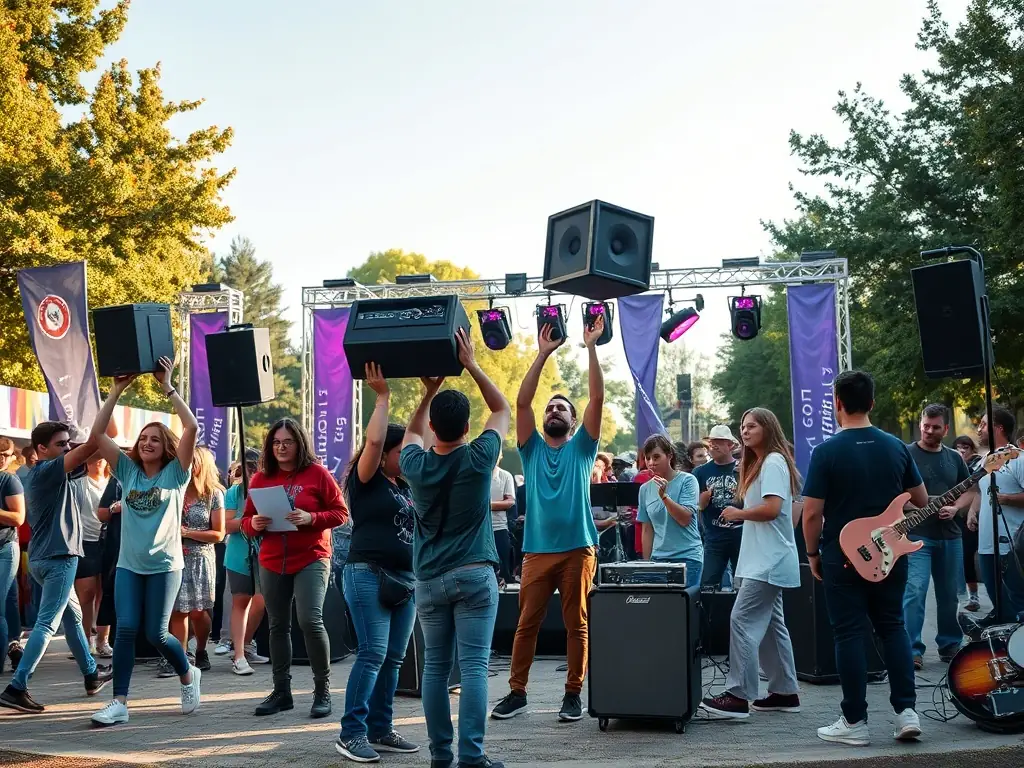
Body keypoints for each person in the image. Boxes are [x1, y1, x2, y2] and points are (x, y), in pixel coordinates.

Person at [400, 330, 510, 768]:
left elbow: (411, 431)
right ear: (467, 428)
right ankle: (472, 757)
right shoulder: (480, 458)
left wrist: (429, 392)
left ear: (434, 427)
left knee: (434, 668)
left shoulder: (414, 464)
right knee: (475, 667)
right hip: (474, 574)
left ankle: (440, 756)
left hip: (428, 579)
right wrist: (471, 364)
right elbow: (501, 409)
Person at [491, 314, 606, 723]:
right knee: (526, 625)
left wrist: (590, 348)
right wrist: (542, 355)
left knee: (577, 625)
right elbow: (522, 403)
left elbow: (597, 399)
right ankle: (517, 692)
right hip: (537, 551)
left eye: (562, 408)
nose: (554, 410)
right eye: (551, 407)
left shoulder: (583, 448)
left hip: (578, 549)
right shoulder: (532, 448)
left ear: (573, 422)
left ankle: (572, 694)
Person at [802, 370, 926, 746]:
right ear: (872, 402)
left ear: (837, 403)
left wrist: (812, 554)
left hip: (842, 557)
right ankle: (906, 713)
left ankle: (855, 721)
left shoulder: (825, 452)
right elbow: (921, 500)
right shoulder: (896, 447)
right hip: (891, 553)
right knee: (893, 627)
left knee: (849, 633)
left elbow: (812, 513)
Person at [87, 358, 203, 726]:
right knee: (125, 629)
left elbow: (192, 426)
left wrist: (167, 386)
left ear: (166, 446)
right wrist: (116, 390)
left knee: (156, 633)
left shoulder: (176, 474)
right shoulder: (126, 471)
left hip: (165, 566)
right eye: (143, 438)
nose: (147, 442)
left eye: (155, 438)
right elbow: (97, 434)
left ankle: (188, 674)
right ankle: (119, 702)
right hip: (128, 565)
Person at [334, 363, 420, 762]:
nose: (408, 456)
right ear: (384, 455)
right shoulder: (365, 479)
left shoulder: (402, 485)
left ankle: (381, 728)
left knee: (393, 658)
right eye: (400, 452)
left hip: (404, 580)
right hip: (367, 573)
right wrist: (383, 396)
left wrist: (429, 394)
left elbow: (419, 437)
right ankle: (351, 734)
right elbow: (372, 441)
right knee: (372, 653)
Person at [0, 422, 112, 714]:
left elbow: (95, 447)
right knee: (47, 624)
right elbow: (92, 445)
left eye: (67, 443)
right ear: (41, 449)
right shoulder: (48, 470)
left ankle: (91, 674)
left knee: (73, 619)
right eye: (61, 444)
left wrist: (103, 433)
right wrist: (111, 399)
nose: (67, 448)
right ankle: (16, 687)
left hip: (45, 558)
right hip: (59, 558)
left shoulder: (51, 472)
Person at [242, 417, 348, 719]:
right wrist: (254, 524)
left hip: (312, 556)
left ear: (299, 443)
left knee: (310, 620)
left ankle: (322, 690)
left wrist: (311, 518)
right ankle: (281, 691)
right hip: (272, 559)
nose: (281, 447)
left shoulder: (317, 473)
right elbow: (245, 522)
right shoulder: (260, 478)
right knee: (277, 625)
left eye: (287, 442)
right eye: (276, 442)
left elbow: (341, 513)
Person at [700, 408, 801, 719]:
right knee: (771, 625)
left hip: (769, 561)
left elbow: (772, 509)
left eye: (752, 426)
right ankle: (784, 691)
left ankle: (739, 695)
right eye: (743, 426)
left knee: (741, 619)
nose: (744, 431)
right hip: (763, 559)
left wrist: (738, 513)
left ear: (768, 428)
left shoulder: (773, 462)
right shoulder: (762, 463)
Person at [902, 405, 973, 669]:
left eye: (935, 427)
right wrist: (913, 506)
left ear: (946, 429)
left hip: (950, 536)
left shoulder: (955, 458)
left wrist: (956, 508)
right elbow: (893, 491)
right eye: (925, 426)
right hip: (916, 535)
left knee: (949, 594)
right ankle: (911, 650)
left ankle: (949, 644)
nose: (929, 431)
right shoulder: (906, 454)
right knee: (914, 591)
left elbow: (970, 490)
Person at [165, 447, 225, 675]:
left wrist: (187, 532)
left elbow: (218, 534)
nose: (188, 467)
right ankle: (181, 658)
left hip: (201, 558)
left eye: (193, 462)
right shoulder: (174, 489)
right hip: (174, 557)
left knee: (199, 611)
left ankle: (201, 649)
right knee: (178, 610)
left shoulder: (213, 494)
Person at [967, 405, 1024, 623]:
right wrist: (973, 510)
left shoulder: (1018, 458)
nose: (978, 429)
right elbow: (981, 491)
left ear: (998, 428)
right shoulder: (986, 460)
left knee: (1016, 606)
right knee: (999, 604)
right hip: (986, 545)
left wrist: (1007, 498)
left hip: (1011, 546)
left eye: (983, 424)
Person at [218, 451, 269, 674]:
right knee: (241, 602)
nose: (252, 473)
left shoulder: (269, 491)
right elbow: (227, 525)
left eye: (256, 468)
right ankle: (238, 655)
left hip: (266, 554)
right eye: (249, 468)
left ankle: (245, 645)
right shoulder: (233, 493)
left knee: (261, 601)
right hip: (239, 554)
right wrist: (249, 522)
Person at [636, 435, 702, 584]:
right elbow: (647, 529)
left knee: (683, 599)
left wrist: (664, 497)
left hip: (687, 557)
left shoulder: (688, 480)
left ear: (669, 456)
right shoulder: (644, 489)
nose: (651, 463)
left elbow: (685, 519)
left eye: (656, 457)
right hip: (658, 558)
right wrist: (647, 563)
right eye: (647, 458)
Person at [693, 426, 743, 589]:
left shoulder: (742, 469)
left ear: (730, 445)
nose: (713, 445)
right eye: (711, 442)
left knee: (742, 585)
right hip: (714, 537)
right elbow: (696, 505)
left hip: (742, 536)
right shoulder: (700, 472)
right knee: (707, 585)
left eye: (719, 442)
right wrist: (703, 500)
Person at [73, 456, 109, 656]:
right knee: (86, 593)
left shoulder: (114, 483)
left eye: (100, 457)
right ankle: (86, 640)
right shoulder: (78, 485)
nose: (97, 461)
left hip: (109, 540)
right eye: (92, 458)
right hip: (84, 542)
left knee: (106, 591)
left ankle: (103, 640)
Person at [0, 439, 26, 672]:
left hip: (5, 547)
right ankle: (14, 646)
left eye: (7, 454)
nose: (2, 458)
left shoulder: (9, 480)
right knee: (9, 600)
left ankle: (11, 648)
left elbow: (18, 518)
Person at [954, 435, 983, 611]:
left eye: (966, 447)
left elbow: (977, 490)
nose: (962, 451)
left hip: (977, 516)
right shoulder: (951, 464)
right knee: (964, 557)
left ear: (972, 449)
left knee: (973, 555)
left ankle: (974, 595)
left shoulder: (978, 465)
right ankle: (970, 596)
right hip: (957, 517)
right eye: (958, 447)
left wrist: (972, 510)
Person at [489, 452, 516, 588]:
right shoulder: (475, 474)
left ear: (500, 457)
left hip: (499, 527)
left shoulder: (505, 476)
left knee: (503, 567)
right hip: (478, 529)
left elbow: (510, 501)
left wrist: (488, 506)